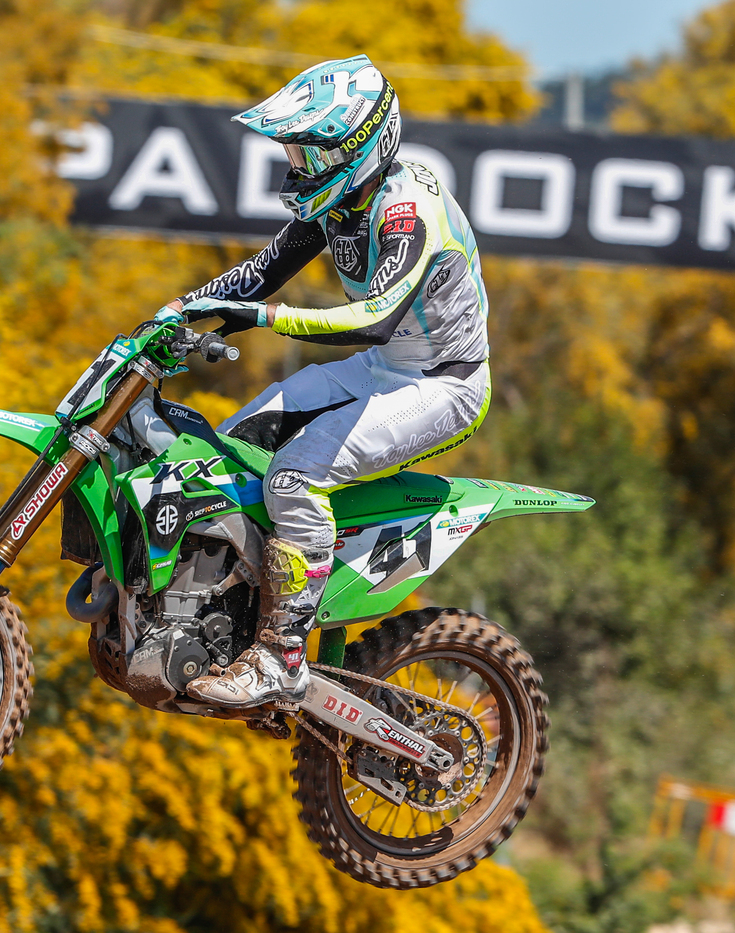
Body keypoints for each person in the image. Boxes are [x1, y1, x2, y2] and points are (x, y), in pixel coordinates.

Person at [158, 55, 491, 708]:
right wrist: (177, 311)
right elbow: (262, 271)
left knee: (294, 475)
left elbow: (375, 318)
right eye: (295, 154)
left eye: (311, 154)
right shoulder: (342, 199)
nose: (299, 168)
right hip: (385, 368)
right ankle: (229, 612)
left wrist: (264, 319)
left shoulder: (406, 209)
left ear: (361, 147)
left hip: (444, 383)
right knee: (228, 449)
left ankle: (281, 658)